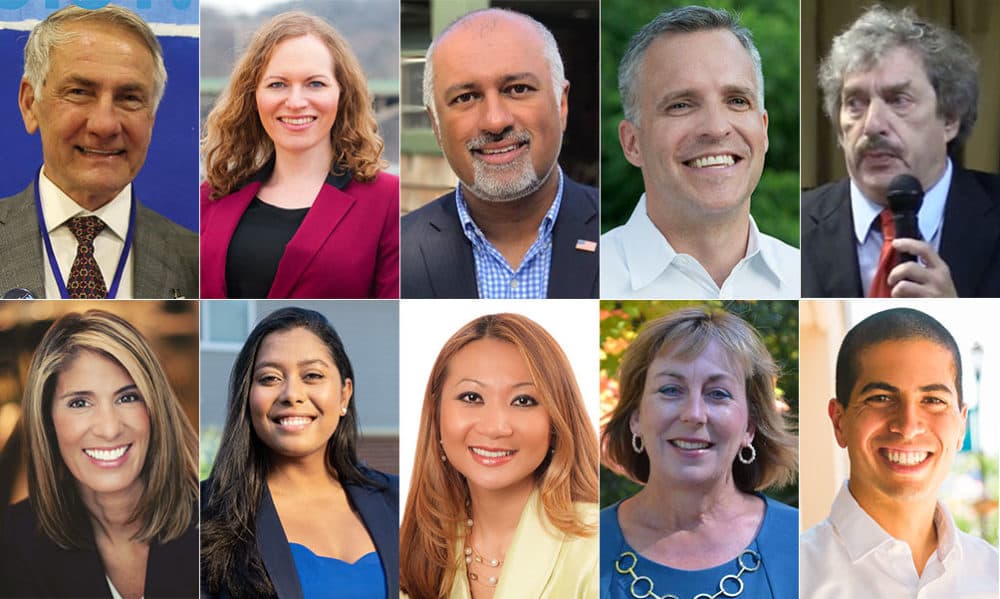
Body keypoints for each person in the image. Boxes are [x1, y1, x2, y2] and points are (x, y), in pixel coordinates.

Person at [600, 7, 799, 299]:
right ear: (632, 143)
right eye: (681, 105)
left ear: (763, 129)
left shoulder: (806, 276)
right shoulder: (589, 277)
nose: (717, 128)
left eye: (737, 100)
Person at [0, 5, 197, 300]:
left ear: (151, 117)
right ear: (30, 104)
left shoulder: (196, 260)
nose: (105, 125)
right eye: (79, 92)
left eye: (130, 98)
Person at [802, 6, 1000, 297]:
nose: (872, 125)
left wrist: (964, 318)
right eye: (855, 103)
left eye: (899, 100)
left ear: (950, 119)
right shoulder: (798, 225)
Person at [401, 9, 599, 299]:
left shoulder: (615, 238)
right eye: (466, 97)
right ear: (435, 124)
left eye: (517, 89)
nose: (495, 121)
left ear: (561, 104)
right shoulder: (397, 252)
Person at [201, 307, 398, 599]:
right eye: (270, 378)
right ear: (247, 396)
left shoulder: (398, 499)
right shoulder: (204, 515)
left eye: (312, 375)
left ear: (344, 395)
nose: (292, 394)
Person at [0, 310, 199, 598]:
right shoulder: (15, 539)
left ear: (155, 409)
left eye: (127, 397)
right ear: (48, 419)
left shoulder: (212, 521)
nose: (109, 429)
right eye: (80, 403)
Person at [600, 308, 798, 598]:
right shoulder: (584, 545)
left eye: (718, 394)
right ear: (635, 417)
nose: (694, 414)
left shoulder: (801, 542)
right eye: (670, 390)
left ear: (750, 427)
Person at [801, 307, 998, 596]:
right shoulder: (797, 575)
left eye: (932, 400)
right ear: (839, 421)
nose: (908, 426)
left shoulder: (993, 575)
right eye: (880, 398)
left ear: (961, 425)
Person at [201, 12, 399, 299]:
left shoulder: (387, 201)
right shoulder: (211, 197)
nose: (295, 102)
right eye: (277, 84)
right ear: (253, 97)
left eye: (315, 83)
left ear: (342, 94)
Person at [400, 313, 599, 598]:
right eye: (471, 398)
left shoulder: (595, 547)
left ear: (556, 420)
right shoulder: (408, 549)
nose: (495, 428)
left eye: (523, 401)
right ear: (436, 412)